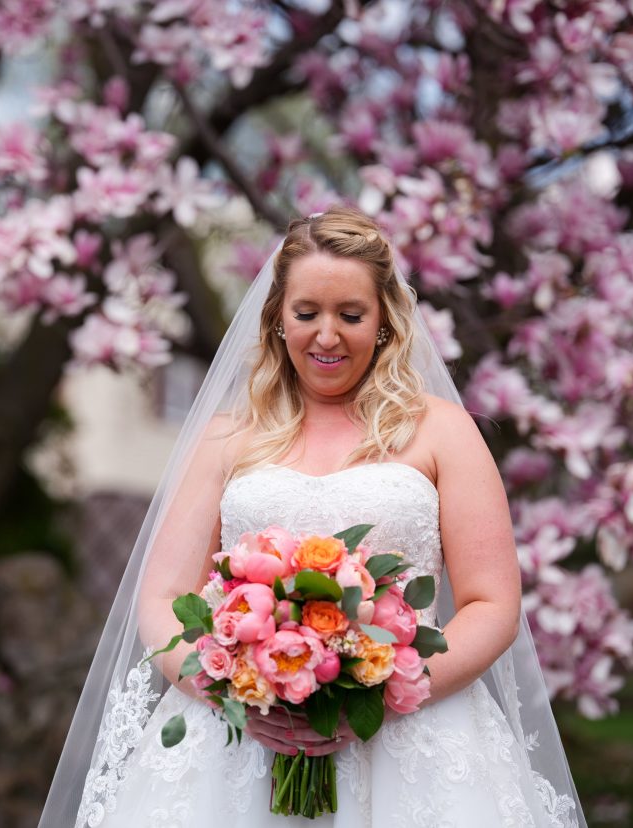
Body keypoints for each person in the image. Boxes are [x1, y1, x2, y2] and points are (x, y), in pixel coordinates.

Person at [39, 207, 584, 827]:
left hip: (415, 741)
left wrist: (376, 696)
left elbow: (492, 605)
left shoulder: (444, 432)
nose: (327, 336)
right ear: (276, 319)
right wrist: (236, 688)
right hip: (238, 740)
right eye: (307, 314)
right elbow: (163, 597)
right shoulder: (227, 437)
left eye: (351, 315)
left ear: (384, 322)